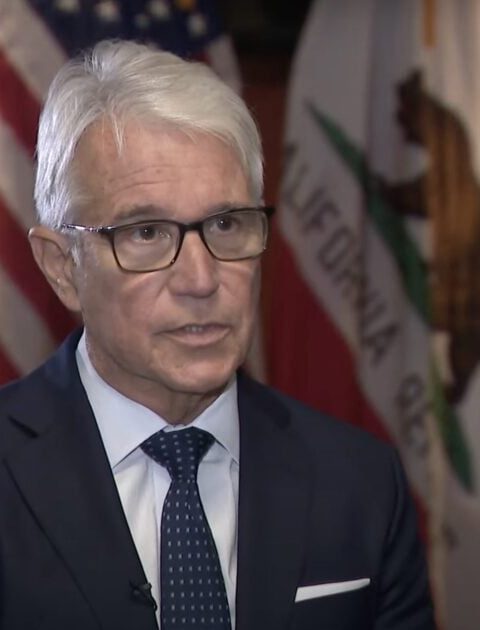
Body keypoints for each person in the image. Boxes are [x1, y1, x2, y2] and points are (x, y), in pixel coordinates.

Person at [0, 40, 434, 630]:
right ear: (62, 267)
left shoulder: (361, 483)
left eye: (227, 223)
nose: (202, 280)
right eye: (147, 232)